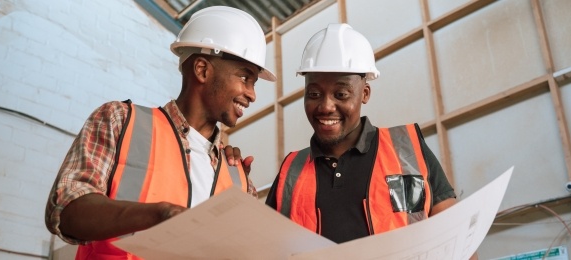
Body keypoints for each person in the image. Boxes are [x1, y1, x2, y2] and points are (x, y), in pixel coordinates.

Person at [44, 6, 275, 259]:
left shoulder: (237, 174)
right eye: (245, 78)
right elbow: (65, 210)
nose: (252, 94)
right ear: (202, 70)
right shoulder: (121, 122)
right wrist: (159, 215)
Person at [265, 23, 463, 247]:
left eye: (341, 94)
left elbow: (459, 240)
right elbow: (267, 248)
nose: (326, 106)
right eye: (314, 94)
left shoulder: (407, 149)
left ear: (364, 94)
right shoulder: (291, 171)